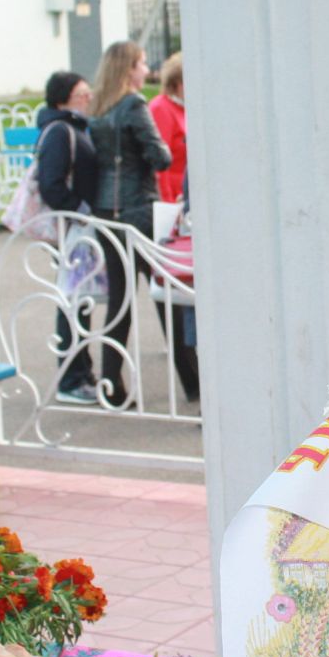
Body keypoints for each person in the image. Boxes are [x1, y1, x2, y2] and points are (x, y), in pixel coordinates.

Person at [88, 40, 201, 408]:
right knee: (168, 294)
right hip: (139, 209)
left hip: (106, 212)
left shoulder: (99, 107)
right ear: (128, 69)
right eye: (139, 62)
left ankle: (111, 382)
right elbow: (160, 155)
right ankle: (194, 382)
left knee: (120, 301)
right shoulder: (134, 105)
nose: (145, 67)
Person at [34, 71, 100, 404]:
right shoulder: (62, 131)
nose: (87, 98)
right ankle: (72, 377)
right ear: (63, 99)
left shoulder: (70, 127)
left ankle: (80, 372)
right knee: (73, 300)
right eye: (81, 94)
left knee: (79, 299)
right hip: (71, 226)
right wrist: (79, 208)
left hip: (76, 225)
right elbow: (51, 183)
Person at [149, 53, 188, 204]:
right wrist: (167, 202)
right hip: (172, 195)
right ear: (178, 83)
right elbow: (160, 161)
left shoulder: (183, 108)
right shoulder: (161, 108)